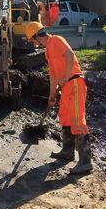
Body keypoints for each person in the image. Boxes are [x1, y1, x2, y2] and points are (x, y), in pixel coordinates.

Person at [25, 21, 92, 174]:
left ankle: (86, 162)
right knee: (66, 118)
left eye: (32, 40)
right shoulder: (48, 51)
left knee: (77, 120)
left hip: (74, 83)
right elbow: (54, 76)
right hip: (66, 87)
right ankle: (68, 151)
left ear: (36, 36)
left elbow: (70, 55)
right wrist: (52, 95)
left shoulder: (56, 40)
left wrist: (67, 76)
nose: (33, 43)